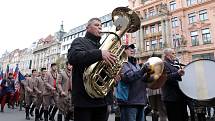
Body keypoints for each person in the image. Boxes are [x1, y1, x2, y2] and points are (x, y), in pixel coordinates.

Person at [67, 17, 117, 121]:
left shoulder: (103, 46)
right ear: (87, 28)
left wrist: (112, 76)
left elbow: (103, 71)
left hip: (102, 100)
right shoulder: (79, 41)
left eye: (101, 26)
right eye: (96, 25)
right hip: (84, 101)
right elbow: (73, 57)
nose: (100, 27)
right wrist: (99, 53)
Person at [115, 44, 151, 121]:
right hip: (129, 102)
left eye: (133, 48)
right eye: (128, 48)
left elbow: (141, 79)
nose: (132, 50)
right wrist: (142, 70)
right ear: (122, 51)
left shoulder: (136, 64)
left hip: (140, 101)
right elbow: (128, 78)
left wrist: (148, 74)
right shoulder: (121, 63)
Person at [161, 48, 188, 121]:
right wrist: (177, 73)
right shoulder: (163, 64)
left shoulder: (175, 64)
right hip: (171, 98)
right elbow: (165, 78)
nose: (174, 55)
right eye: (172, 53)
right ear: (167, 55)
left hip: (180, 97)